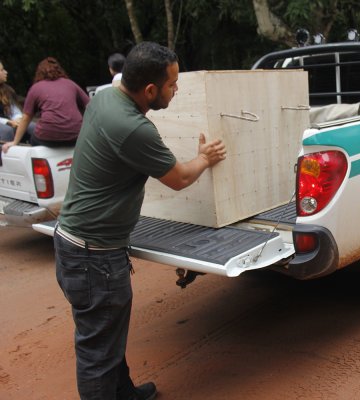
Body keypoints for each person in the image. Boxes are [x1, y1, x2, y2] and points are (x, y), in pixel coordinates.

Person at [54, 41, 226, 399]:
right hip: (93, 256)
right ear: (150, 90)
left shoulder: (103, 98)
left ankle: (125, 393)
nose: (177, 90)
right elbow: (179, 178)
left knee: (107, 333)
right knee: (97, 352)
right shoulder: (133, 128)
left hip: (84, 247)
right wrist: (204, 157)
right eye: (172, 85)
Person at [1, 57, 89, 153]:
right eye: (2, 70)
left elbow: (25, 117)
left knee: (33, 134)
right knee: (16, 130)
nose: (6, 72)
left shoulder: (34, 88)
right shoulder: (70, 84)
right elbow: (90, 105)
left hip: (49, 136)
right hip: (77, 136)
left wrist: (14, 142)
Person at [0, 59, 35, 142]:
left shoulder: (7, 90)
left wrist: (19, 119)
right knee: (7, 131)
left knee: (33, 127)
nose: (6, 72)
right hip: (5, 124)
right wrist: (7, 122)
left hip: (10, 122)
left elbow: (14, 110)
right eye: (1, 70)